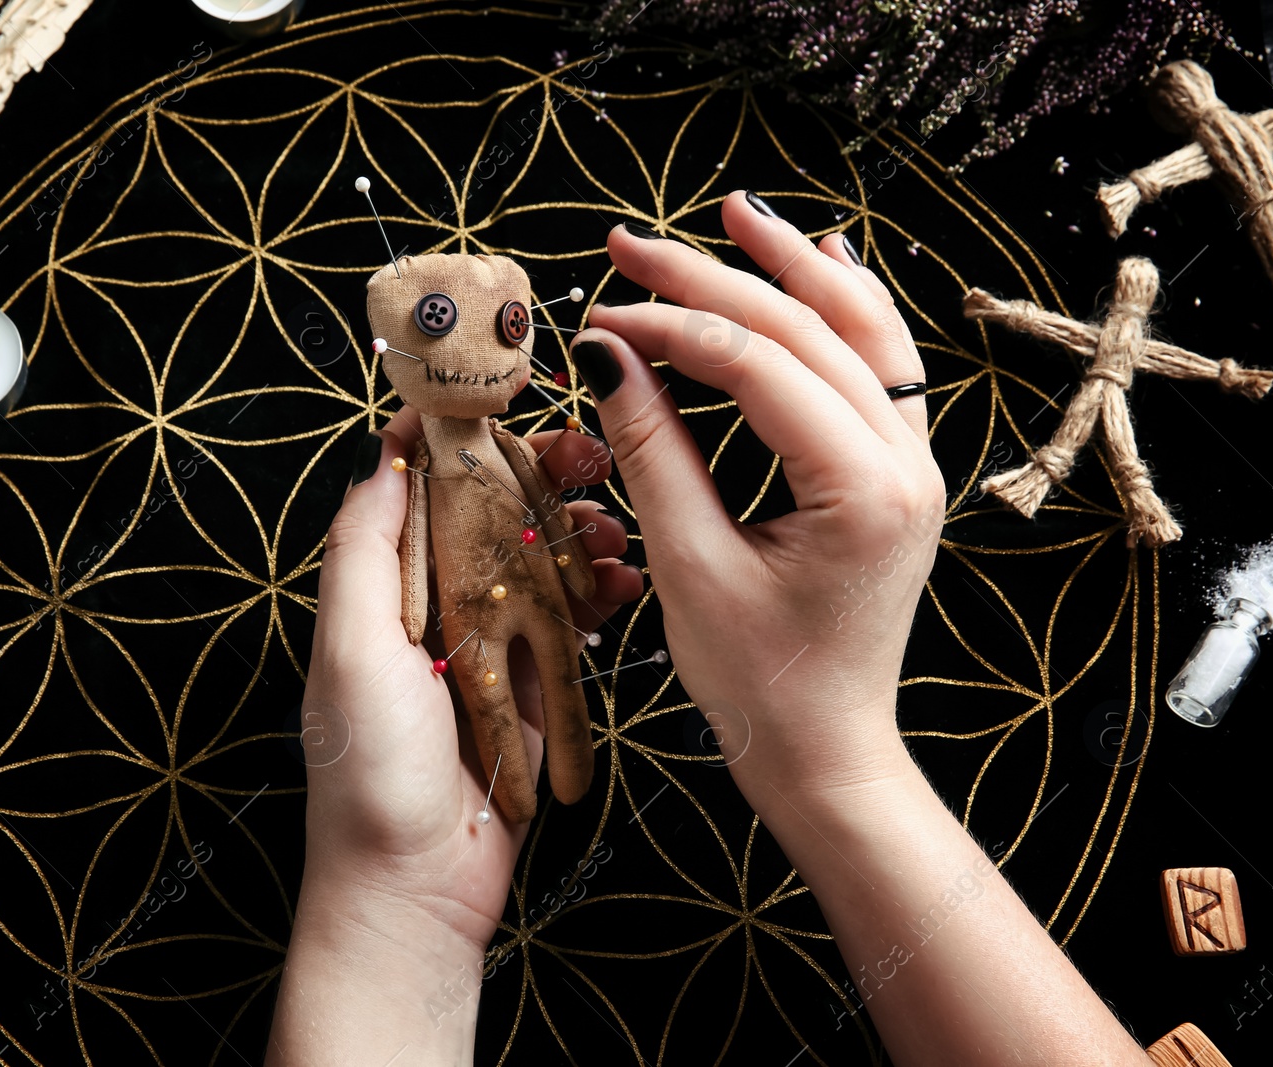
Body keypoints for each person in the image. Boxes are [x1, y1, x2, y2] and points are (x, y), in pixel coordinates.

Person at [265, 190, 1150, 1065]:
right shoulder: (449, 453)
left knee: (557, 699)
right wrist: (397, 893)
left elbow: (539, 507)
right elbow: (438, 553)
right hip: (482, 626)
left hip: (518, 606)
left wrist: (390, 907)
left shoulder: (491, 454)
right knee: (517, 697)